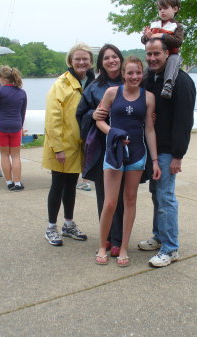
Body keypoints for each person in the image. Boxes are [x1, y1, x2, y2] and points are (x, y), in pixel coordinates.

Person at [95, 56, 161, 267]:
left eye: (138, 73)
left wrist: (155, 160)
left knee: (130, 200)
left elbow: (149, 130)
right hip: (114, 153)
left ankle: (124, 247)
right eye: (130, 73)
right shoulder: (112, 93)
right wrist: (112, 132)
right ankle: (102, 246)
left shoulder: (148, 97)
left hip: (137, 154)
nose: (134, 77)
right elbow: (99, 120)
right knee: (110, 202)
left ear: (142, 74)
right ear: (123, 74)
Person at [138, 38, 196, 267]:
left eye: (156, 54)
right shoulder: (151, 79)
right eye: (148, 54)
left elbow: (184, 122)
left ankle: (171, 248)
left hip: (168, 151)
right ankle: (159, 237)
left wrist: (178, 155)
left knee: (166, 198)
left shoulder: (181, 81)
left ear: (166, 54)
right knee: (156, 194)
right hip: (153, 149)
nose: (152, 58)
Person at [43, 43, 95, 246]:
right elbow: (53, 118)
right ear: (70, 62)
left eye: (85, 59)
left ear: (91, 61)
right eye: (77, 59)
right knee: (57, 185)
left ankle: (68, 224)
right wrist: (58, 148)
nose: (82, 62)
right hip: (61, 146)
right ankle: (50, 227)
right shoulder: (61, 85)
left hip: (78, 145)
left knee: (72, 186)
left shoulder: (91, 82)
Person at [76, 43, 125, 257]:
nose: (111, 60)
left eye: (115, 56)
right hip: (100, 148)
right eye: (106, 58)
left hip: (126, 146)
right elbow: (81, 114)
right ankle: (105, 237)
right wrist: (93, 116)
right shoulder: (94, 87)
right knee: (104, 196)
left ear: (120, 59)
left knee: (123, 195)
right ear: (101, 63)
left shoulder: (131, 81)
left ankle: (119, 238)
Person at [0, 65, 27, 191]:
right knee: (16, 156)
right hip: (16, 126)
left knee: (4, 155)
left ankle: (9, 183)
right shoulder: (22, 92)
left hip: (2, 125)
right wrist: (21, 128)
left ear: (2, 78)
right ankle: (18, 183)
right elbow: (22, 113)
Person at [141, 0, 184, 100]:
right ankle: (141, 86)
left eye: (165, 8)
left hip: (171, 55)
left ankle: (168, 84)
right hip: (156, 56)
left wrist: (162, 35)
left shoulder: (177, 26)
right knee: (146, 71)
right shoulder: (154, 24)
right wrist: (147, 36)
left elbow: (178, 42)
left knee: (175, 60)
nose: (162, 11)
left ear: (175, 9)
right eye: (160, 9)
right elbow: (144, 40)